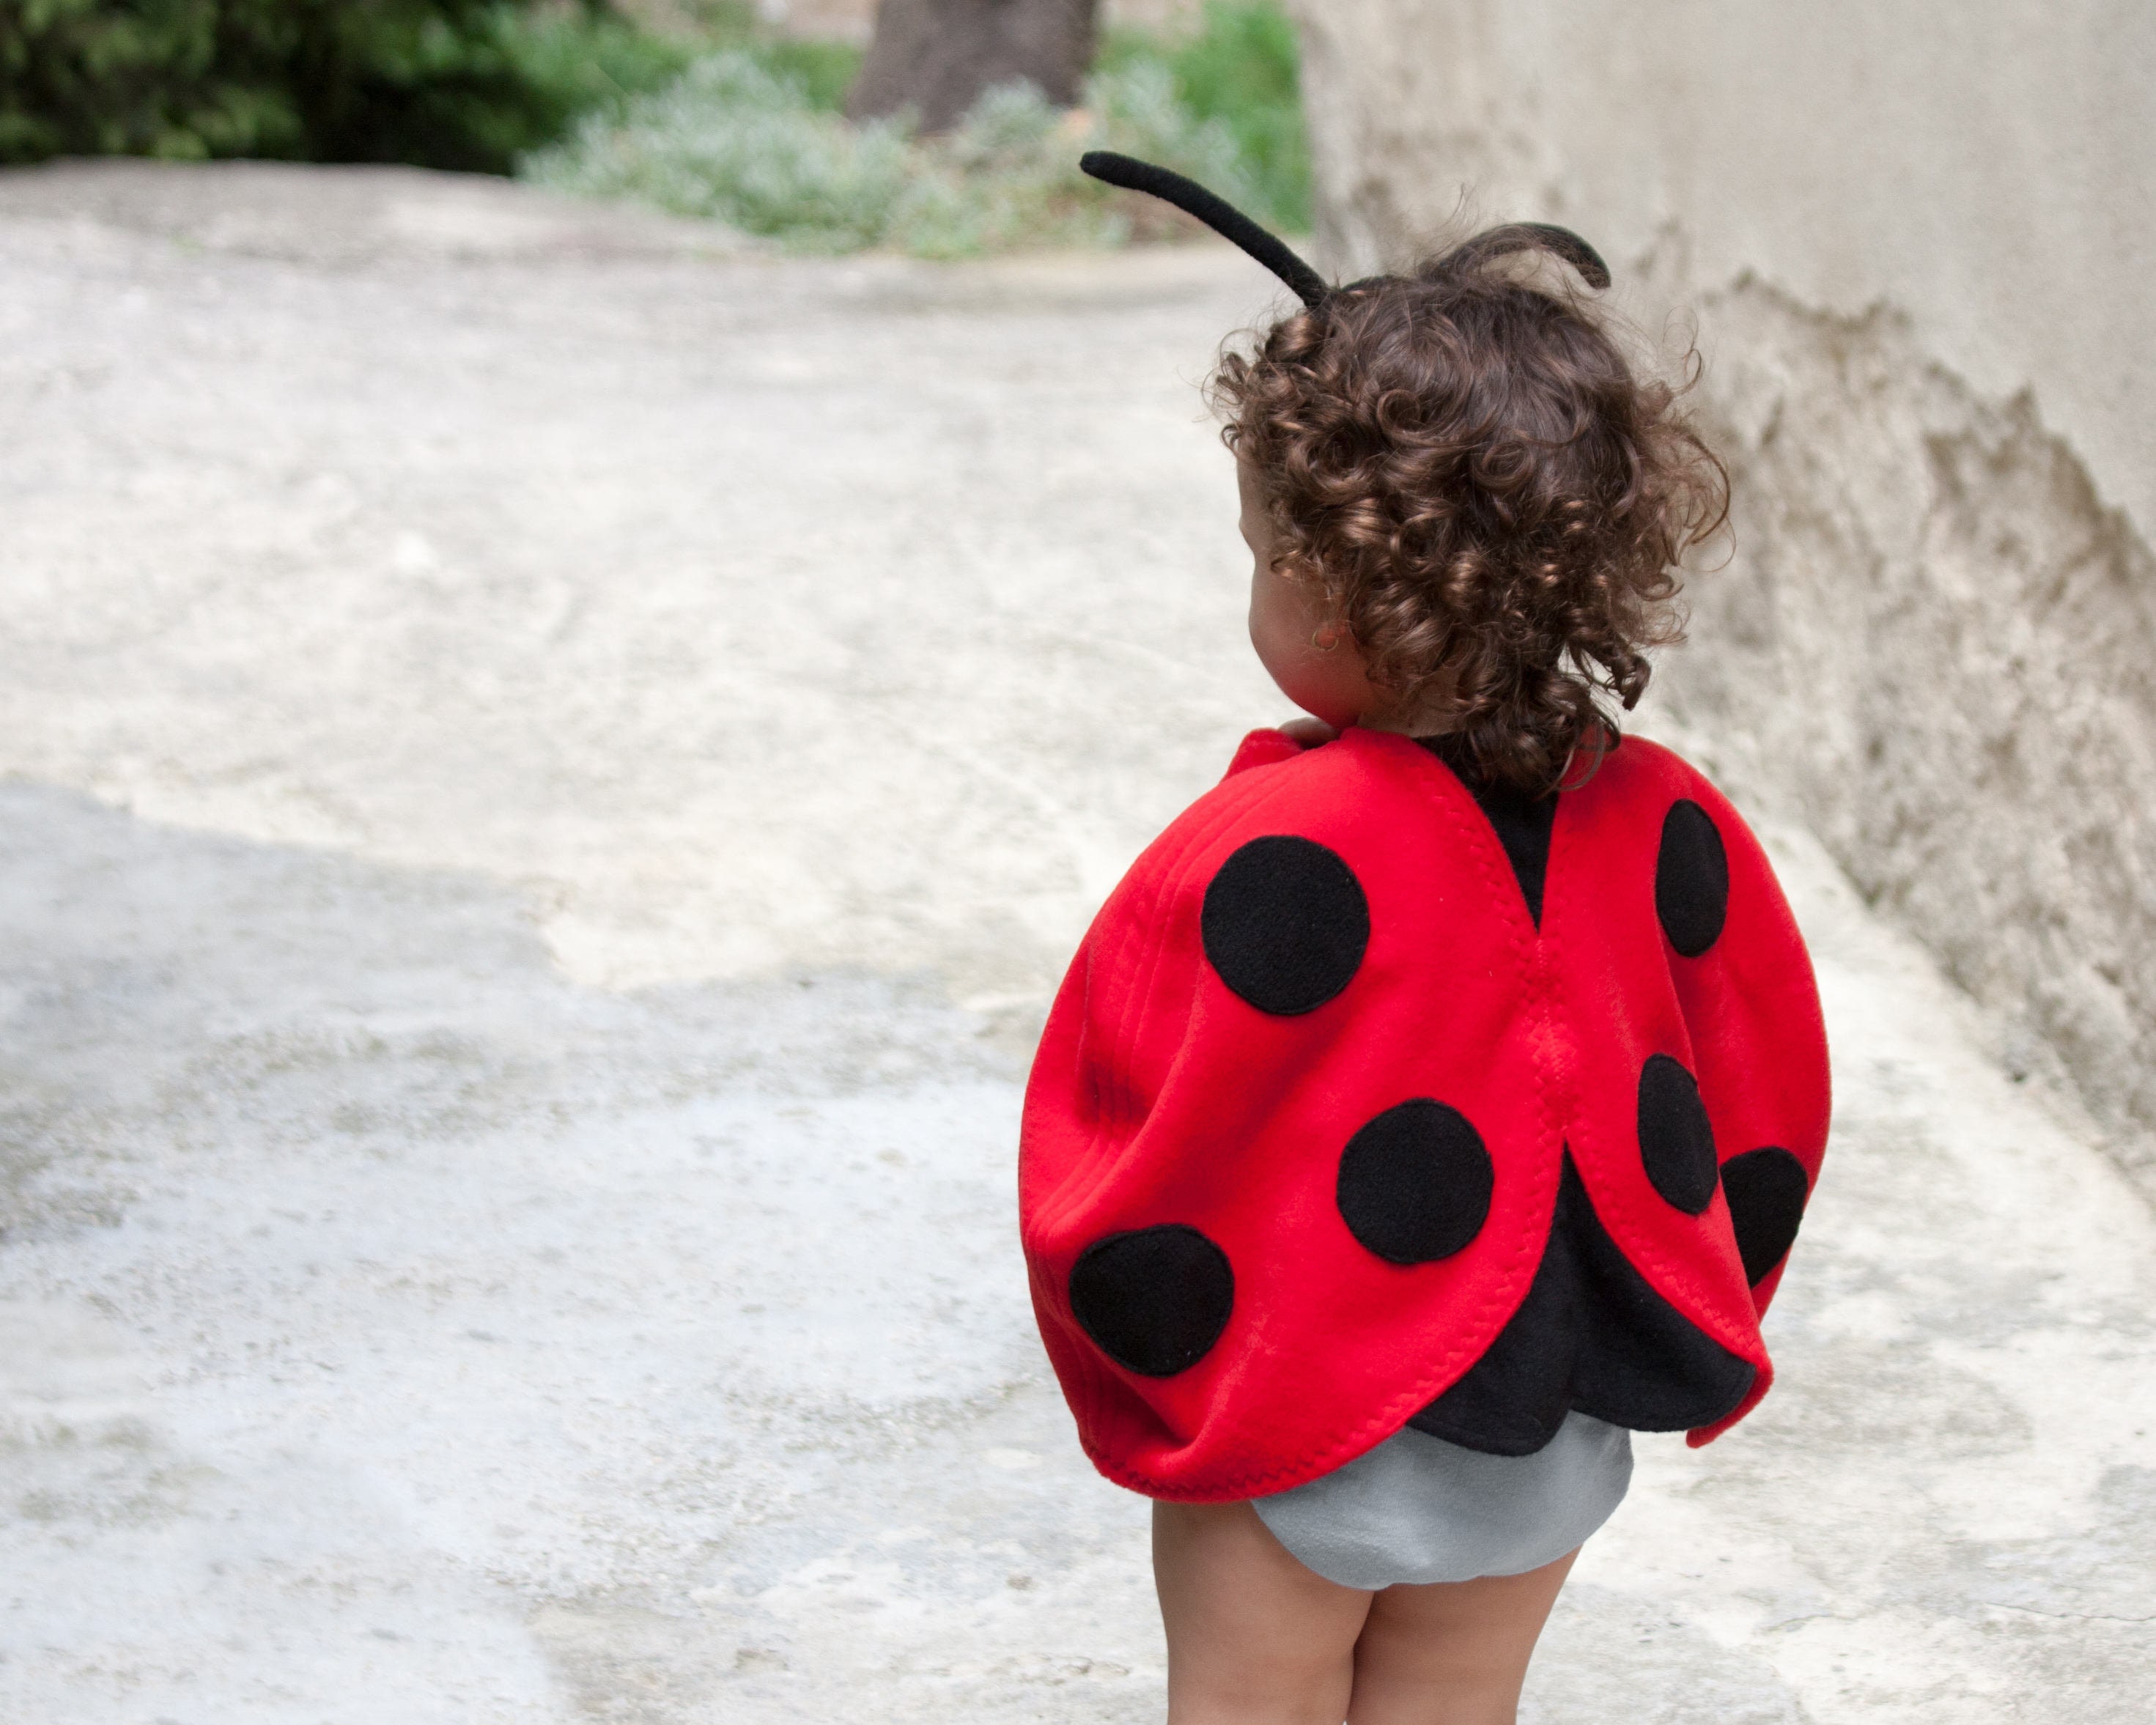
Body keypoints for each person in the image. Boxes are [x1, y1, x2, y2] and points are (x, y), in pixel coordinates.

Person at [1020, 160, 1831, 1725]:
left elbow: (1130, 1116)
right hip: (1546, 1434)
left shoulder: (1266, 848)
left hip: (1296, 1418)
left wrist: (1146, 1357)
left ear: (1331, 596)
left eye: (1265, 556)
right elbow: (1758, 1082)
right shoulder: (1664, 820)